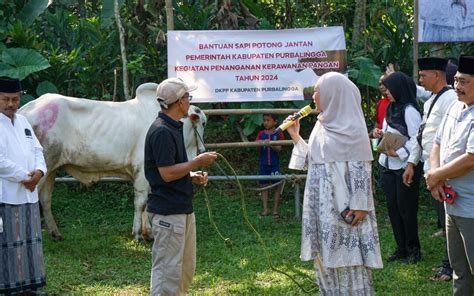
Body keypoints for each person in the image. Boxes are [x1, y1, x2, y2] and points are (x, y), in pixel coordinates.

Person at [286, 72, 383, 295]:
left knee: (349, 262)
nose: (314, 96)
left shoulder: (353, 127)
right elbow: (313, 162)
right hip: (321, 209)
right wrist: (296, 136)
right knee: (325, 260)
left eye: (318, 91)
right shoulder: (321, 125)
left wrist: (360, 204)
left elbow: (361, 169)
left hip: (345, 210)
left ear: (333, 94)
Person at [144, 77, 217, 295]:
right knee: (168, 273)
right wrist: (196, 162)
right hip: (168, 213)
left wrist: (191, 174)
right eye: (187, 96)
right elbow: (166, 174)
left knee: (184, 269)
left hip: (182, 209)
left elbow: (172, 167)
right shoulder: (162, 131)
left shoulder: (174, 126)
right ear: (179, 101)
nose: (189, 100)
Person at [403, 57, 457, 281]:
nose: (420, 79)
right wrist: (411, 163)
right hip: (431, 169)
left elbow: (450, 139)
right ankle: (449, 264)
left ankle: (450, 266)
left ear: (436, 74)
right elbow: (422, 135)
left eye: (423, 75)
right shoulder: (431, 101)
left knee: (450, 221)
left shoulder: (451, 99)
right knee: (444, 219)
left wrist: (441, 173)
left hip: (445, 171)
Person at [426, 55, 474, 296]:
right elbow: (437, 142)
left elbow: (471, 159)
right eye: (456, 80)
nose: (457, 86)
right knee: (459, 269)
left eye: (464, 81)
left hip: (472, 207)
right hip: (452, 204)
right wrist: (435, 175)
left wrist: (436, 176)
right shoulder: (455, 106)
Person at [0, 78, 47, 295]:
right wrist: (25, 177)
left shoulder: (23, 122)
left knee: (31, 242)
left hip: (29, 195)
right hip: (7, 195)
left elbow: (38, 150)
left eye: (15, 99)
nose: (11, 104)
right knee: (9, 245)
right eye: (5, 99)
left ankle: (30, 286)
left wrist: (39, 173)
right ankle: (9, 288)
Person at [372, 72, 423, 264]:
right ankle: (401, 247)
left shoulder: (410, 110)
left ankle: (413, 249)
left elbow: (418, 140)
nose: (387, 93)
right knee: (393, 208)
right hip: (387, 165)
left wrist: (400, 153)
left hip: (404, 166)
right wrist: (380, 133)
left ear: (400, 89)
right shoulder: (391, 108)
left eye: (390, 89)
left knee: (406, 209)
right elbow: (390, 131)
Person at [255, 114, 284, 218]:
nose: (265, 122)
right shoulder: (260, 133)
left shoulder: (278, 133)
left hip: (274, 164)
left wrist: (270, 144)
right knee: (264, 186)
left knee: (277, 186)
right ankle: (265, 209)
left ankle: (275, 210)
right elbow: (256, 147)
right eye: (264, 120)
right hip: (263, 164)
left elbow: (280, 148)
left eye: (268, 120)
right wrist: (260, 144)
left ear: (275, 122)